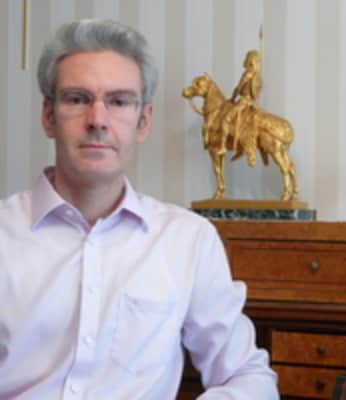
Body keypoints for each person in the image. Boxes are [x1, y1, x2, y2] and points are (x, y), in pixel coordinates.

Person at [0, 19, 279, 399]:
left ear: (143, 122)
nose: (97, 120)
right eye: (77, 99)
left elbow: (248, 376)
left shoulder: (188, 241)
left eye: (118, 102)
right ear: (49, 117)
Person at [219, 50, 262, 155]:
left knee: (225, 119)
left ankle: (223, 146)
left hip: (244, 102)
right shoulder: (257, 75)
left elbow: (238, 88)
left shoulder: (248, 74)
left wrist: (232, 98)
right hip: (251, 102)